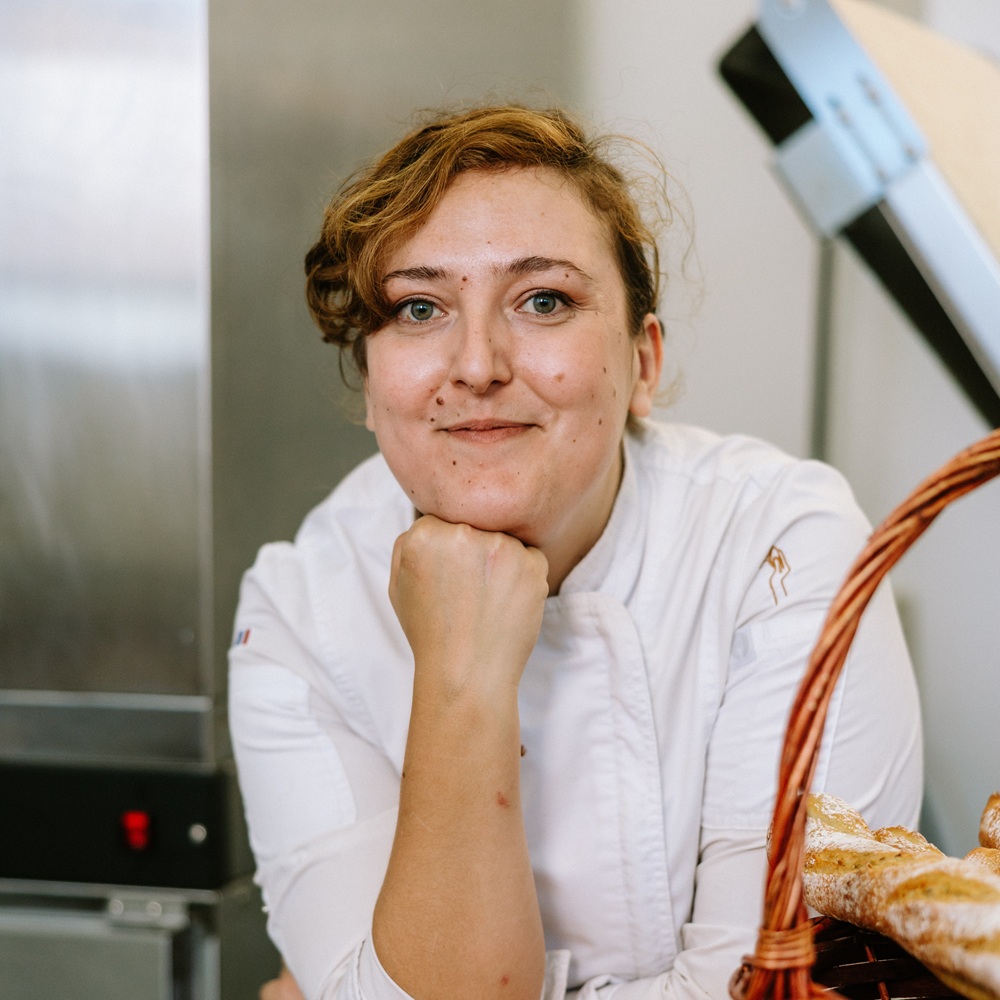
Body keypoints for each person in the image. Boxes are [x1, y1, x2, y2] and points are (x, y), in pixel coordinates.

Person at [228, 105, 923, 1000]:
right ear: (370, 384)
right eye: (419, 307)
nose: (477, 365)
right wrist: (462, 679)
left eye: (544, 300)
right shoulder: (300, 614)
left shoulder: (778, 548)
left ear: (644, 363)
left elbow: (778, 991)